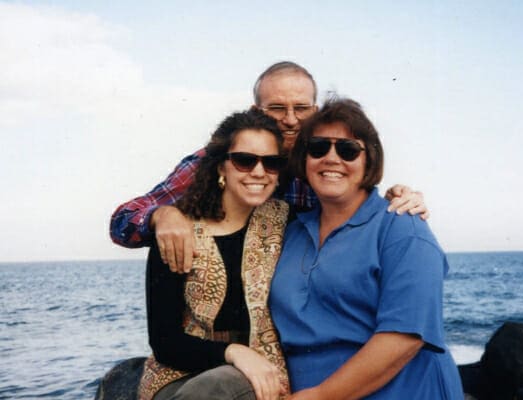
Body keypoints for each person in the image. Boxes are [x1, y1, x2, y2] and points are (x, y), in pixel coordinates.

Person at [110, 61, 429, 274]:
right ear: (256, 109)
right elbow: (123, 220)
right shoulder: (223, 159)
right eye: (277, 108)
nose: (290, 120)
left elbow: (363, 215)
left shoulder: (324, 167)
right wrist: (161, 216)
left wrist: (399, 199)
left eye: (300, 108)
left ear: (314, 110)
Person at [269, 98, 464, 399]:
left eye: (347, 150)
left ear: (369, 160)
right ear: (304, 158)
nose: (331, 158)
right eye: (319, 148)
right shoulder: (289, 233)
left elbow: (404, 336)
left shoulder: (402, 227)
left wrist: (321, 396)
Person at [138, 109, 290, 400]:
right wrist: (234, 353)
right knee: (225, 383)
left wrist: (397, 196)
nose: (259, 172)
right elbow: (164, 341)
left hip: (265, 374)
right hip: (181, 378)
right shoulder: (178, 231)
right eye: (245, 161)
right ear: (222, 166)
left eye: (272, 163)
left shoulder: (288, 223)